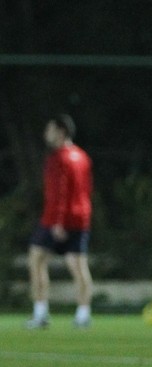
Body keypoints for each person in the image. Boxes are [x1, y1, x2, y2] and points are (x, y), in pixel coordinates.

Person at [25, 114, 95, 329]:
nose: (47, 134)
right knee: (78, 266)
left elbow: (59, 192)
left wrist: (58, 221)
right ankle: (83, 314)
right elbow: (87, 189)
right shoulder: (82, 156)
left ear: (61, 131)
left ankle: (40, 313)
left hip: (56, 218)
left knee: (36, 259)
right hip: (81, 216)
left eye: (50, 129)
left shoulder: (58, 159)